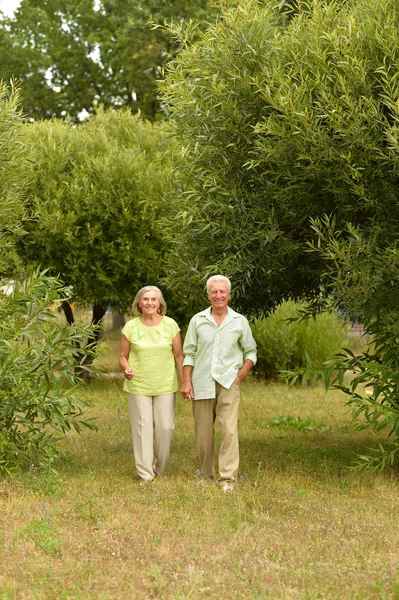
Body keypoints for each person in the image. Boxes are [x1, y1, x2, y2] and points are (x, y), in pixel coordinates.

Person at [180, 275, 257, 491]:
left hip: (228, 382)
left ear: (229, 295)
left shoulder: (239, 321)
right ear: (208, 295)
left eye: (222, 292)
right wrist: (186, 381)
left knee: (229, 431)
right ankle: (206, 476)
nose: (218, 295)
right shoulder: (198, 320)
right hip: (202, 381)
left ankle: (228, 479)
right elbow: (189, 353)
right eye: (214, 292)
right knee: (204, 434)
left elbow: (251, 350)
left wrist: (240, 374)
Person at [119, 286, 183, 485]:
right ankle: (146, 474)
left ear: (159, 303)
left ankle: (159, 469)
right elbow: (123, 356)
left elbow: (179, 355)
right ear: (139, 303)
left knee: (166, 428)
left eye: (153, 299)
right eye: (145, 299)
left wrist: (186, 381)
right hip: (138, 385)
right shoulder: (130, 327)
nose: (149, 303)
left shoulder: (170, 325)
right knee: (143, 429)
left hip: (165, 384)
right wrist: (126, 368)